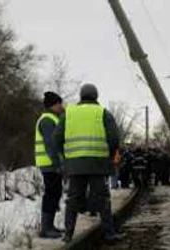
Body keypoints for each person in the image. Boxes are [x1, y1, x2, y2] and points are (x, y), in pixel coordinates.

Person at [54, 83, 124, 244]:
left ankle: (68, 234)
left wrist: (66, 156)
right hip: (98, 164)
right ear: (96, 96)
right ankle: (109, 234)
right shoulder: (103, 112)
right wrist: (109, 155)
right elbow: (114, 139)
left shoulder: (69, 113)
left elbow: (57, 137)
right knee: (103, 199)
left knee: (73, 199)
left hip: (75, 165)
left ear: (81, 96)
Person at [35, 92, 64, 239]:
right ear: (54, 104)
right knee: (51, 194)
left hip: (50, 164)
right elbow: (51, 145)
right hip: (49, 164)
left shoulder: (51, 118)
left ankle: (50, 226)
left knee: (55, 192)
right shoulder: (47, 120)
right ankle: (46, 228)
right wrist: (57, 163)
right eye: (60, 103)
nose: (62, 106)